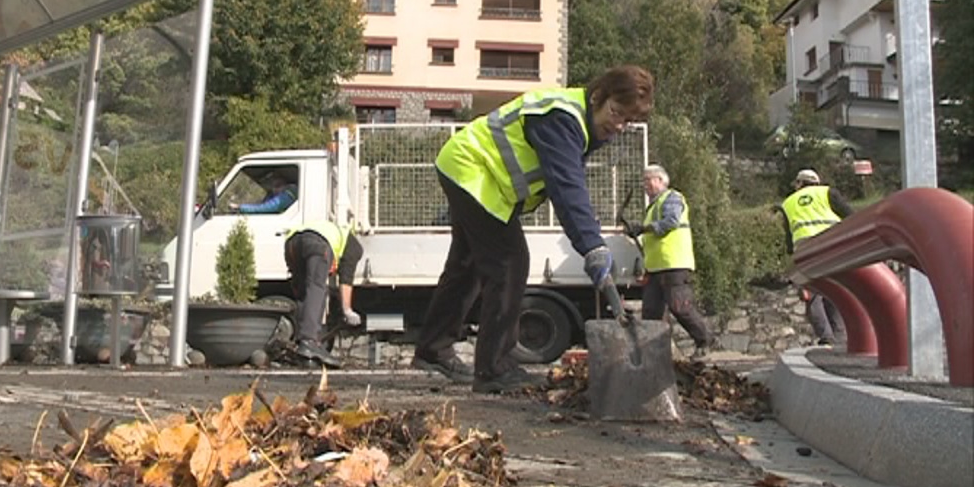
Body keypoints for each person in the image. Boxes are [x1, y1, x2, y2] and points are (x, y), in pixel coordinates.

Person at [411, 65, 655, 393]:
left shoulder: (579, 123)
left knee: (467, 266)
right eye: (616, 112)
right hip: (472, 170)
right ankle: (494, 369)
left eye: (627, 121)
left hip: (472, 172)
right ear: (598, 97)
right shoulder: (561, 118)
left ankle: (433, 348)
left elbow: (571, 185)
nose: (619, 125)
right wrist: (593, 247)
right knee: (509, 263)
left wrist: (590, 238)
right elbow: (566, 188)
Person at [627, 165, 715, 362]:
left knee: (680, 306)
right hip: (657, 267)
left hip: (674, 263)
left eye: (648, 180)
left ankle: (704, 340)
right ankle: (653, 354)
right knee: (650, 312)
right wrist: (640, 232)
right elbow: (652, 236)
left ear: (660, 180)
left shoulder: (672, 198)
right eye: (644, 180)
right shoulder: (653, 207)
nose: (645, 185)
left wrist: (643, 228)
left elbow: (671, 222)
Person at [778, 168, 853, 346]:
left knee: (812, 295)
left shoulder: (788, 203)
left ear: (799, 183)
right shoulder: (828, 193)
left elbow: (789, 236)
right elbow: (851, 216)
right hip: (833, 247)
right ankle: (840, 337)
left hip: (805, 253)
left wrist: (791, 255)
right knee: (836, 290)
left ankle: (826, 337)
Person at [284, 220, 364, 368]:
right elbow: (346, 279)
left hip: (292, 243)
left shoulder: (334, 231)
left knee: (305, 292)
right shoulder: (354, 248)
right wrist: (347, 310)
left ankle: (301, 342)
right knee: (317, 287)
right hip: (317, 244)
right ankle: (309, 341)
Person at [231, 177, 298, 214]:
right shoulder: (292, 192)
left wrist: (240, 207)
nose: (274, 190)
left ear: (284, 185)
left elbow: (264, 208)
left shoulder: (286, 197)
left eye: (277, 186)